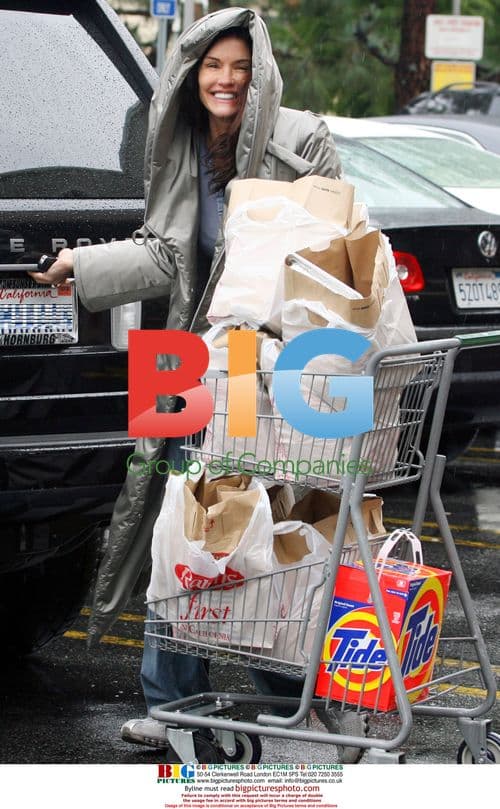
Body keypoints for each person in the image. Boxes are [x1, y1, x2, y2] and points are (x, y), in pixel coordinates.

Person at [30, 7, 346, 753]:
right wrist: (84, 267)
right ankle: (170, 704)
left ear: (259, 71)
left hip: (262, 361)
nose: (226, 79)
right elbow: (166, 256)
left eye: (239, 66)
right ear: (192, 73)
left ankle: (290, 703)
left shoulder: (300, 139)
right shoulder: (176, 141)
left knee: (262, 528)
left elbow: (334, 247)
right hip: (180, 354)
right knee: (180, 519)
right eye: (212, 66)